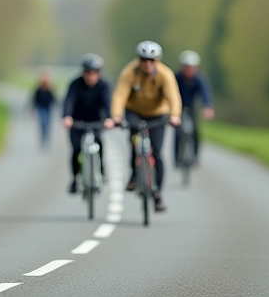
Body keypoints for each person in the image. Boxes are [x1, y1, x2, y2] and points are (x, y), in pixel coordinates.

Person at [110, 40, 181, 212]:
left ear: (157, 60)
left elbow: (173, 96)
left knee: (156, 152)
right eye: (144, 60)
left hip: (158, 113)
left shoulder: (165, 74)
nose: (147, 64)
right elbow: (119, 95)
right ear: (138, 60)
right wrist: (117, 116)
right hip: (135, 111)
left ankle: (158, 195)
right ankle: (134, 174)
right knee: (134, 140)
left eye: (152, 60)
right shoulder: (129, 73)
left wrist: (175, 115)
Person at [61, 54, 114, 194]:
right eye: (88, 73)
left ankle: (101, 171)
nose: (90, 76)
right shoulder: (75, 84)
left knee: (99, 144)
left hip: (96, 121)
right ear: (83, 72)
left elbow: (107, 103)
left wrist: (109, 118)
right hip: (77, 122)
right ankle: (74, 179)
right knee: (76, 149)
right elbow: (69, 101)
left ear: (99, 73)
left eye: (94, 73)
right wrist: (67, 116)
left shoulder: (104, 86)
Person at [174, 50, 215, 166]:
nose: (190, 70)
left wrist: (207, 107)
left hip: (192, 107)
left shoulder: (199, 79)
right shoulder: (176, 78)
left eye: (192, 67)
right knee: (177, 133)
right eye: (187, 67)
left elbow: (205, 93)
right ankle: (177, 157)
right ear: (182, 67)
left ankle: (195, 157)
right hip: (178, 107)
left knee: (196, 132)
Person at [32, 71, 56, 149]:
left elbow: (53, 99)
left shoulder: (49, 89)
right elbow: (35, 100)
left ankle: (46, 139)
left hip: (48, 108)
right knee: (43, 123)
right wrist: (33, 108)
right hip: (41, 108)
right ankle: (43, 139)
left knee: (47, 124)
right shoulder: (39, 90)